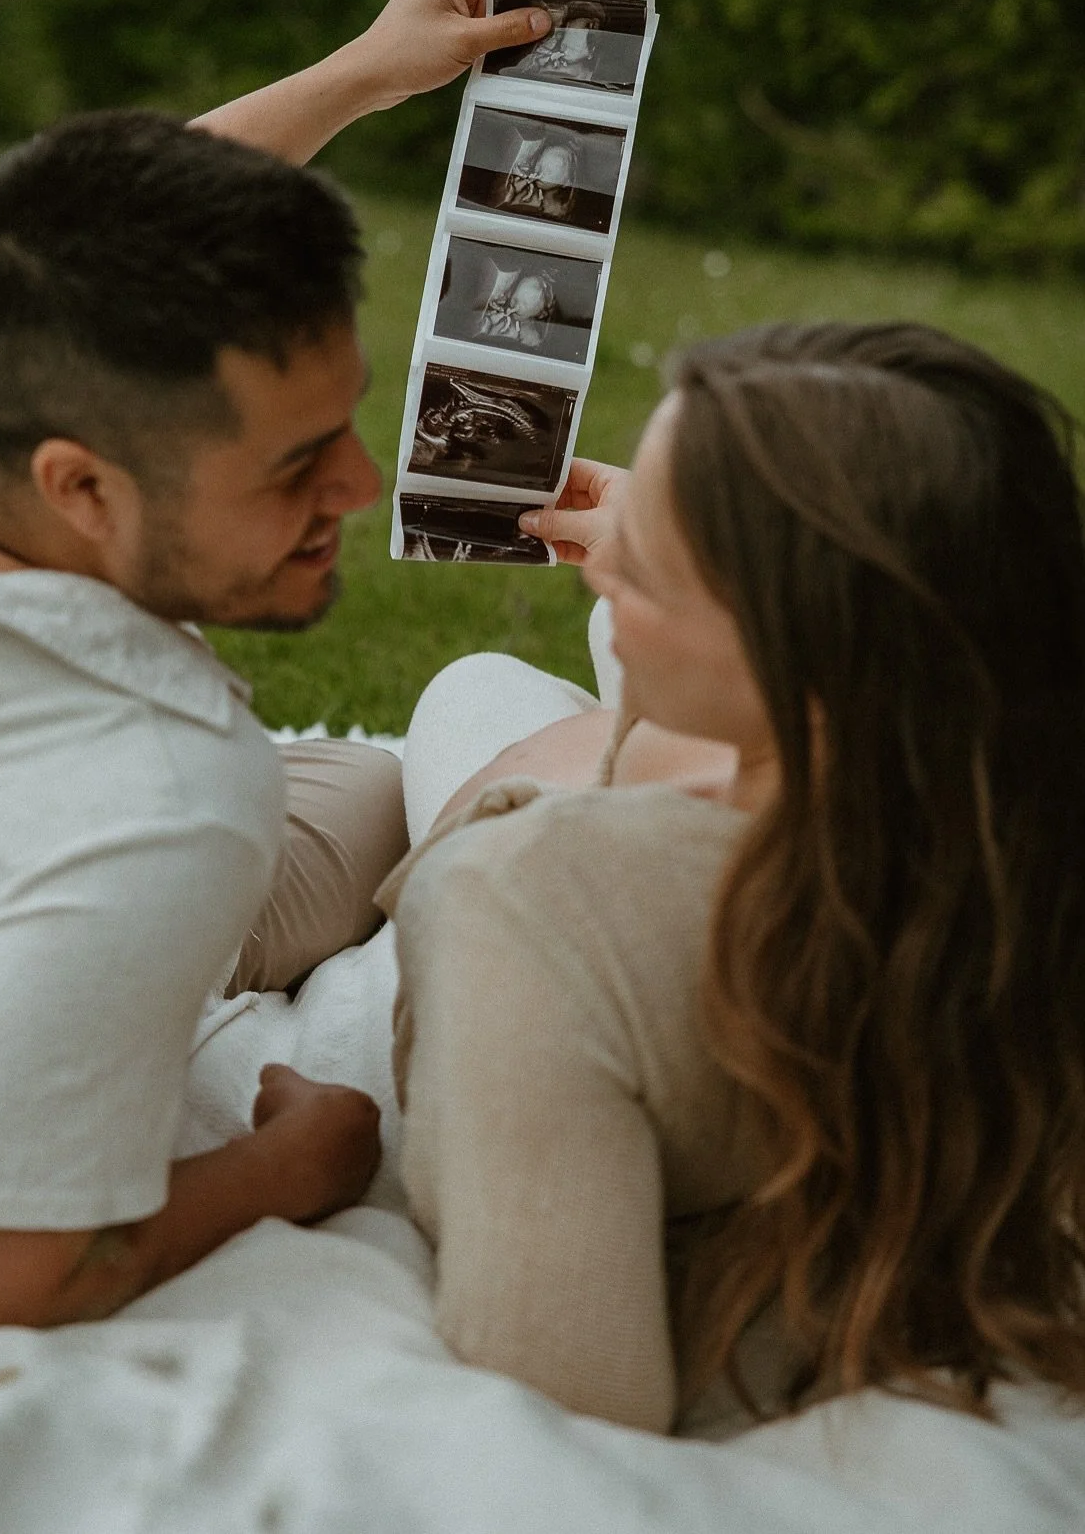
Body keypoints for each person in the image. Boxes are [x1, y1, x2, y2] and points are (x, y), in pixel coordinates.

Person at [0, 0, 555, 1334]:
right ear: (79, 486)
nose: (359, 485)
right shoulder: (160, 803)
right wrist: (299, 1161)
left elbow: (67, 257)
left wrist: (362, 71)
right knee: (379, 789)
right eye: (294, 467)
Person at [382, 320, 1085, 1432]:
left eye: (648, 564)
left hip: (563, 829)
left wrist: (290, 1165)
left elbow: (561, 1413)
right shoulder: (996, 790)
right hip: (750, 769)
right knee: (563, 703)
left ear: (803, 656)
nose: (599, 562)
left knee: (475, 693)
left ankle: (564, 748)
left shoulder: (530, 904)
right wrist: (669, 529)